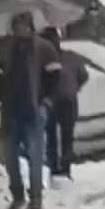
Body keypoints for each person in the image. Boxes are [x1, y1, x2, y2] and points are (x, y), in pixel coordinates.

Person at [0, 13, 62, 209]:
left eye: (23, 26)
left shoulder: (44, 48)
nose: (20, 29)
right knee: (10, 159)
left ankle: (36, 199)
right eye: (16, 26)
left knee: (35, 156)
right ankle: (17, 197)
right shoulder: (7, 50)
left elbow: (55, 80)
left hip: (33, 110)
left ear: (31, 27)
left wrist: (46, 103)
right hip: (10, 111)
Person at [40, 27, 87, 180]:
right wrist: (75, 87)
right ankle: (65, 170)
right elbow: (83, 75)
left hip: (52, 101)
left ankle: (55, 169)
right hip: (67, 100)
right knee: (67, 136)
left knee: (52, 137)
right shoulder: (70, 56)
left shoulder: (42, 60)